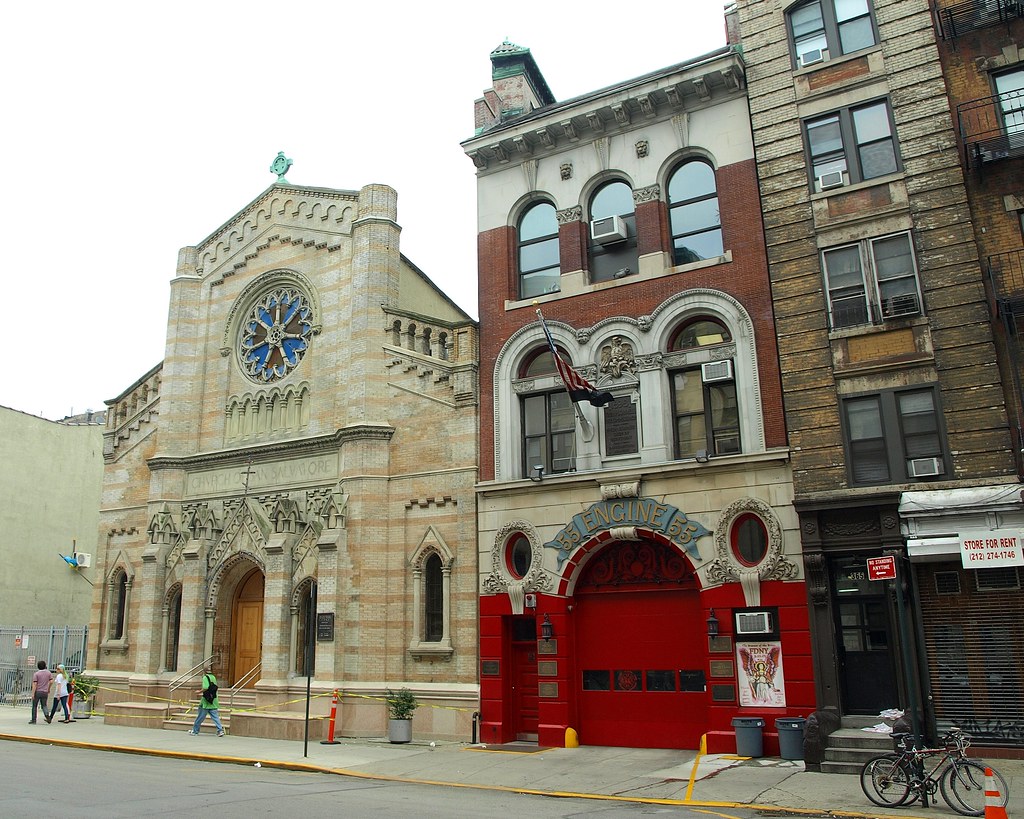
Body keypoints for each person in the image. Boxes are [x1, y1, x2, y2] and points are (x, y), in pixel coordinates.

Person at [188, 667, 225, 736]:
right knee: (215, 717)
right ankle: (220, 730)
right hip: (213, 700)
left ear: (204, 672)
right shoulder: (213, 677)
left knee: (200, 717)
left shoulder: (205, 677)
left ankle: (195, 731)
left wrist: (199, 691)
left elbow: (205, 687)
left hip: (206, 701)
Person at [29, 660, 53, 724]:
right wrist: (48, 688)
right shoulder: (49, 673)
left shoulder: (36, 674)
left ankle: (34, 720)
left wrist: (33, 693)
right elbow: (51, 681)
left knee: (34, 706)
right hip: (45, 692)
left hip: (38, 691)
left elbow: (35, 684)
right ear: (45, 666)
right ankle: (47, 715)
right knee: (44, 705)